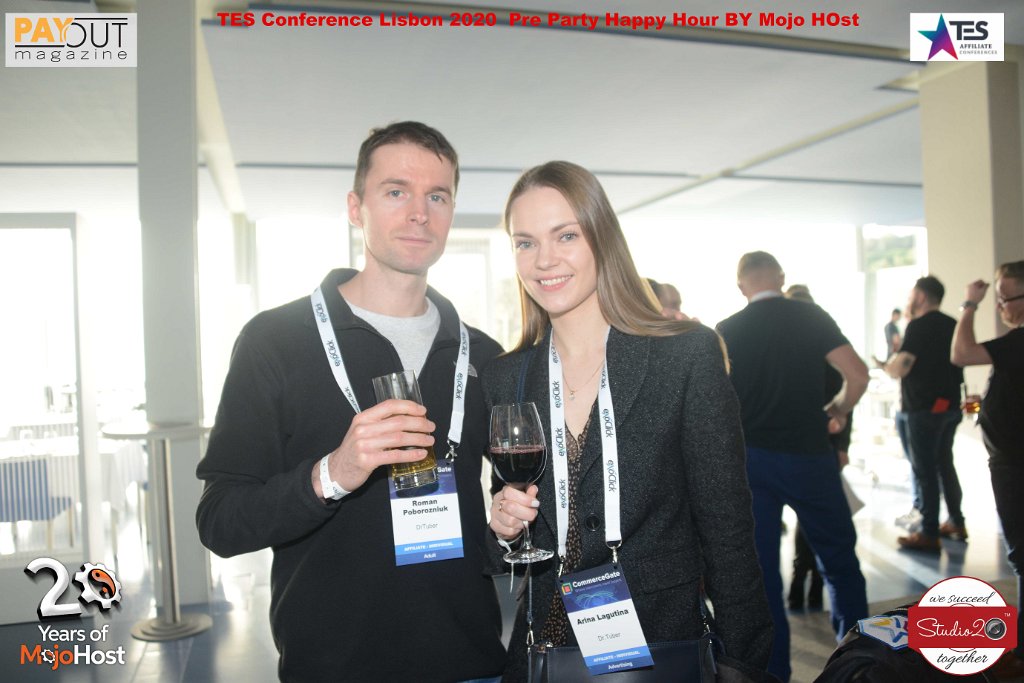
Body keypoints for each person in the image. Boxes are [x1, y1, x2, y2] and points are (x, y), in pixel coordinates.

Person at [195, 122, 505, 682]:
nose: (419, 213)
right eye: (396, 191)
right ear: (355, 208)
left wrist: (508, 528)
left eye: (437, 196)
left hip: (468, 659)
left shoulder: (481, 354)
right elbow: (221, 522)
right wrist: (332, 474)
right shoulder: (275, 341)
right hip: (333, 664)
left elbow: (512, 515)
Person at [486, 161, 773, 681]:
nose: (544, 260)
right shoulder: (508, 377)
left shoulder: (683, 357)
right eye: (525, 243)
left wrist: (742, 663)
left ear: (603, 238)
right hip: (543, 651)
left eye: (566, 235)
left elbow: (727, 530)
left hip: (661, 644)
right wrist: (504, 527)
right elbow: (507, 524)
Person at [717, 252, 869, 683]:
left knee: (762, 574)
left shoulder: (726, 329)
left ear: (741, 285)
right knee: (839, 561)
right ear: (781, 278)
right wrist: (837, 409)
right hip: (810, 456)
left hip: (752, 462)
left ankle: (775, 673)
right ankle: (859, 664)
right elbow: (857, 375)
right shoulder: (811, 316)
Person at [950, 260, 1024, 677]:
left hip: (1015, 465)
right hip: (1011, 460)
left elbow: (961, 354)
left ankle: (1022, 653)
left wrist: (969, 304)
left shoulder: (1019, 340)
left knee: (1022, 555)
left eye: (1005, 298)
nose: (1000, 306)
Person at [782, 284, 854, 612]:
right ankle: (808, 581)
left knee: (811, 519)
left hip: (809, 444)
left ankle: (803, 579)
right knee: (819, 520)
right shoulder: (822, 344)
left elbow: (845, 397)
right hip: (816, 444)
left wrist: (841, 444)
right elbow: (845, 398)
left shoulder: (790, 347)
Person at [880, 276, 966, 552]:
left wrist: (887, 365)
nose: (908, 299)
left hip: (922, 407)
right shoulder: (953, 323)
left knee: (925, 470)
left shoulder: (918, 326)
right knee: (945, 464)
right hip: (950, 404)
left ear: (921, 296)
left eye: (911, 294)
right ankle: (956, 521)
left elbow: (900, 367)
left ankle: (929, 532)